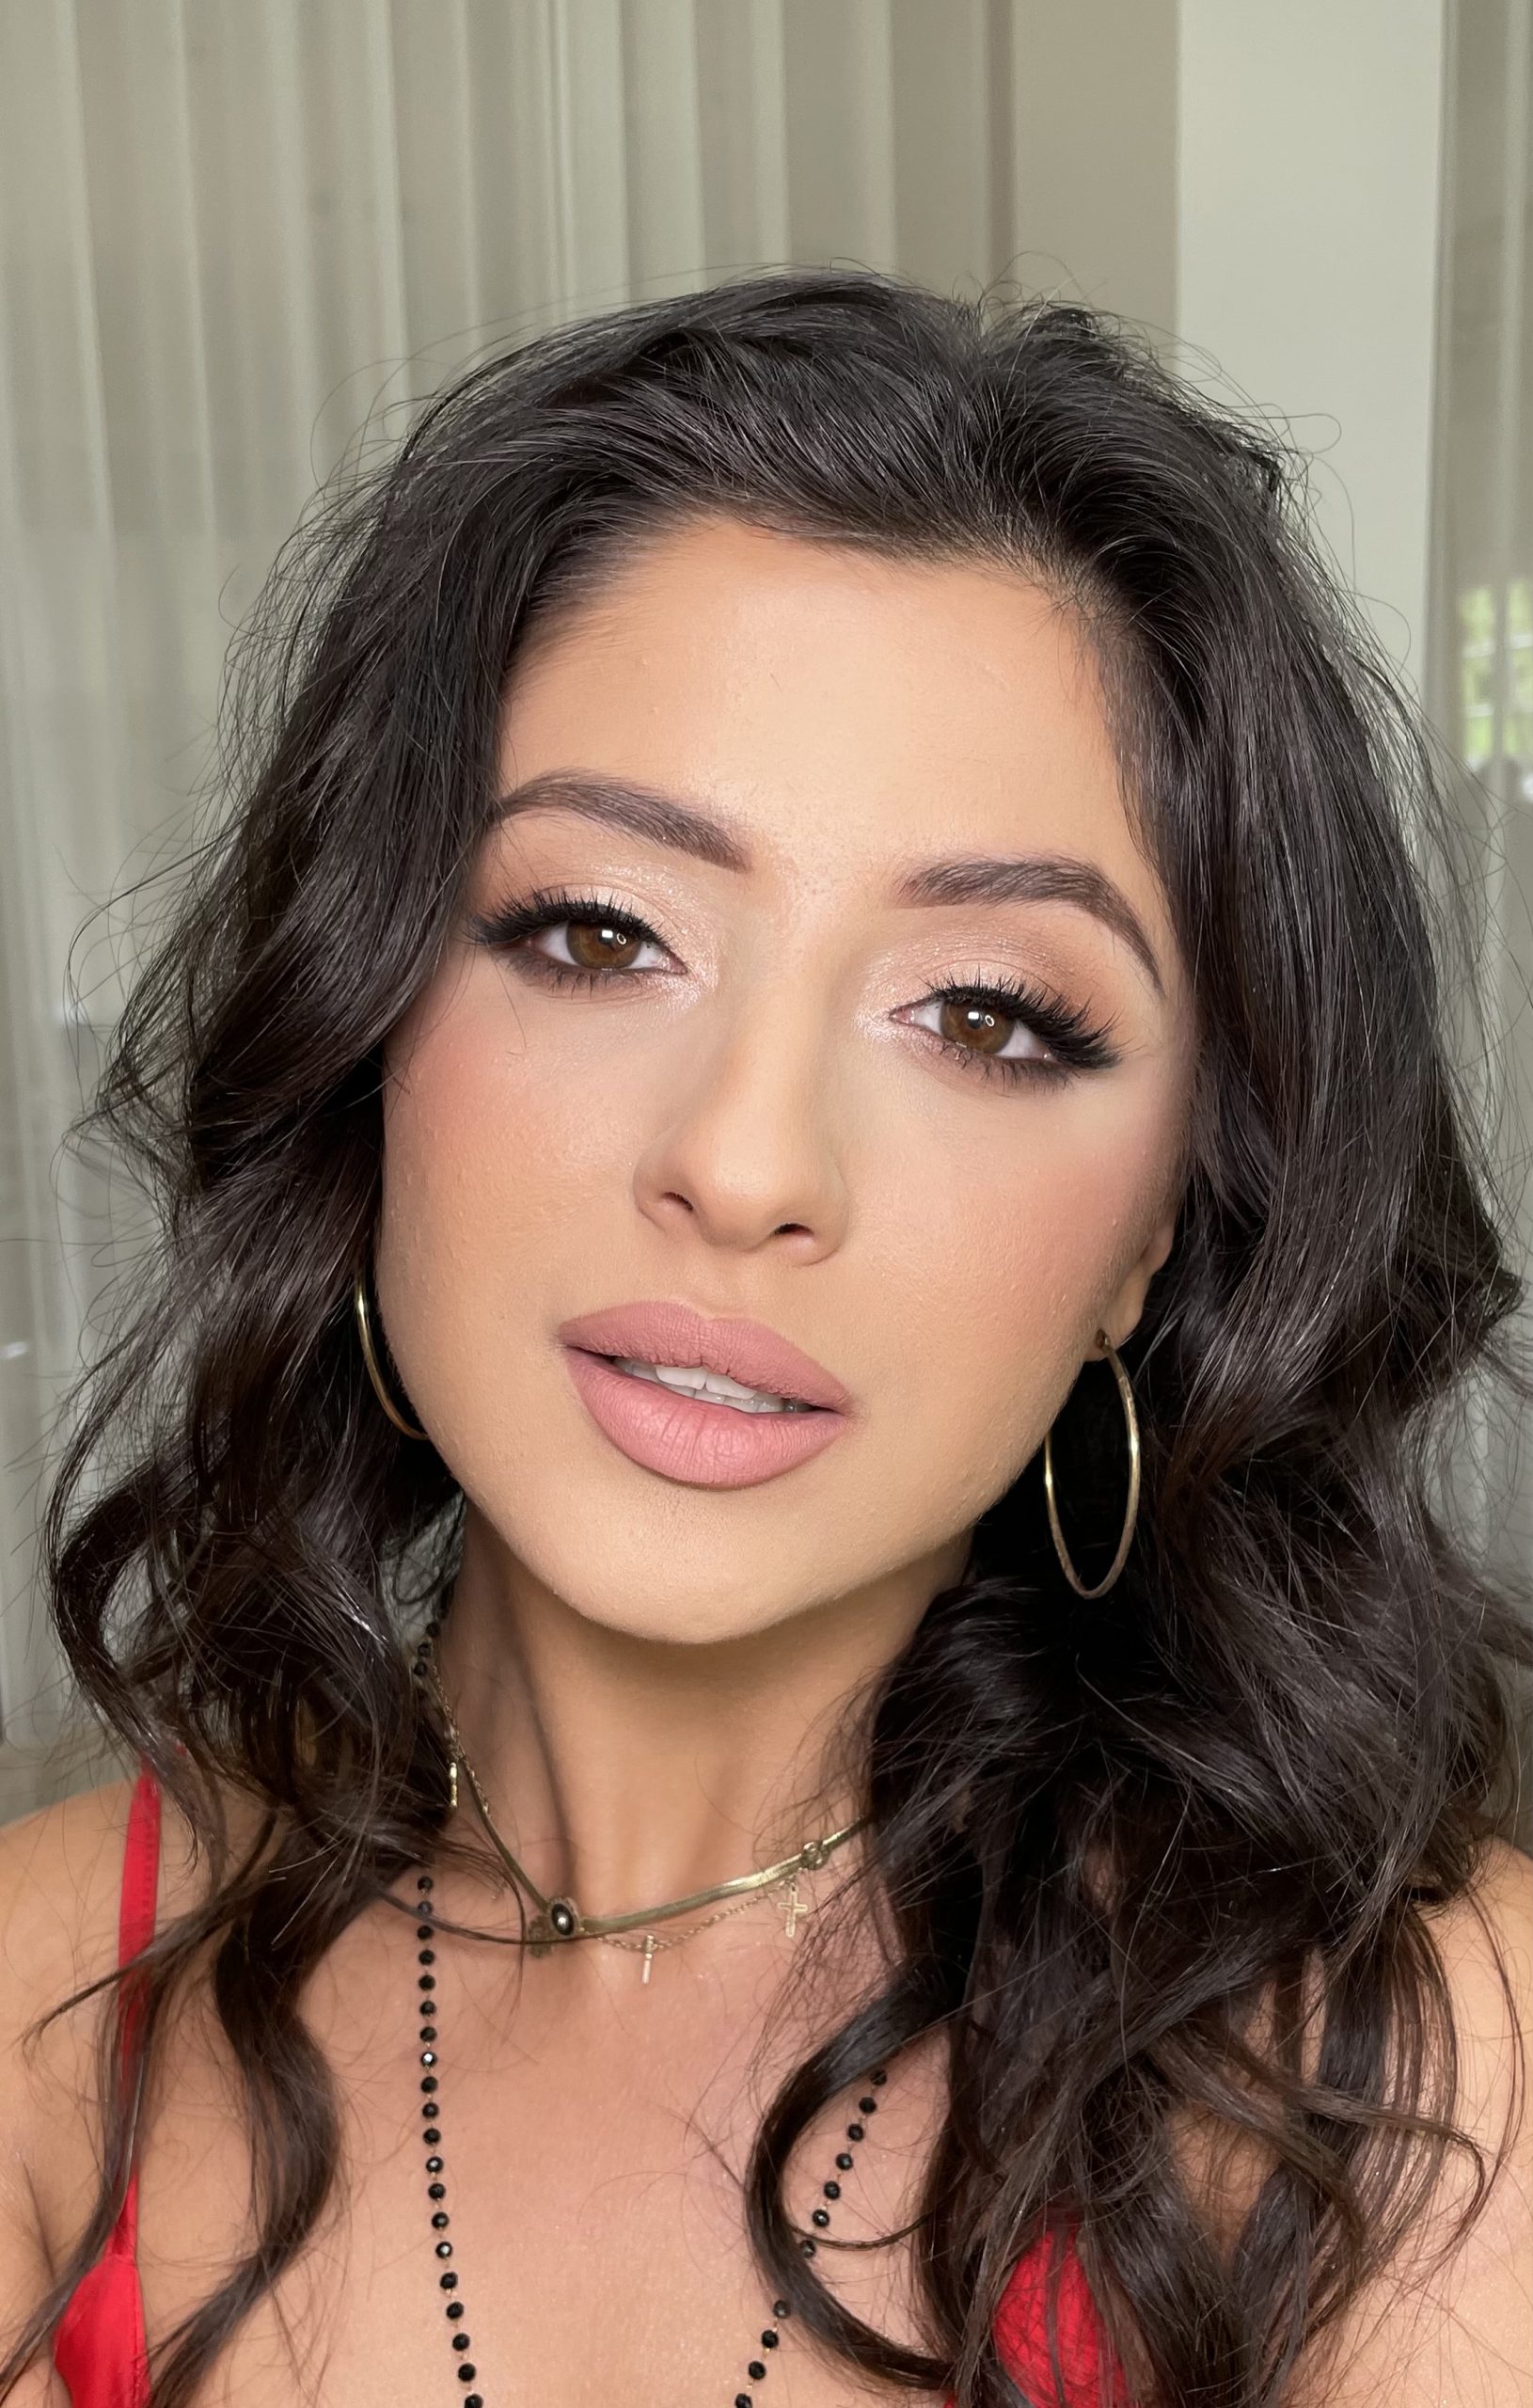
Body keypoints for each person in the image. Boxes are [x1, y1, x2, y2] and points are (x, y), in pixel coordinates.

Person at [0, 264, 1529, 2408]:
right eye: (596, 932)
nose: (742, 1163)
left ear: (1152, 1241)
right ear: (365, 1042)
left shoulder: (1415, 2091)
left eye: (984, 1015)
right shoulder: (46, 2012)